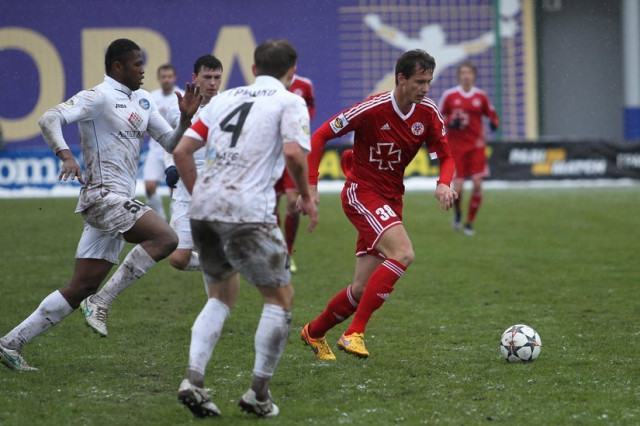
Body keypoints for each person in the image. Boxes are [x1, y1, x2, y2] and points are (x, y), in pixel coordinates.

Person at [0, 38, 201, 371]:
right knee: (166, 238)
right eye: (137, 64)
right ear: (118, 66)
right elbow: (49, 119)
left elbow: (169, 143)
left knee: (81, 285)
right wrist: (66, 155)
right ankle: (102, 301)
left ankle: (11, 342)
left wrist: (184, 120)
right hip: (102, 197)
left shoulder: (144, 100)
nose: (143, 70)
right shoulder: (98, 97)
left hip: (119, 200)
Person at [173, 39, 317, 418]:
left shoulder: (223, 99)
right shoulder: (290, 100)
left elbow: (181, 151)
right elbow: (293, 153)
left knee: (221, 295)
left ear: (253, 69)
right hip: (247, 210)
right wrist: (306, 196)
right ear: (292, 71)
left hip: (204, 209)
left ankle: (193, 379)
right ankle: (258, 394)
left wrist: (201, 196)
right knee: (280, 298)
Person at [300, 49, 457, 361]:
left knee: (361, 289)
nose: (425, 88)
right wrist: (311, 185)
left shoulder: (428, 113)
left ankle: (314, 332)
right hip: (362, 193)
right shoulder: (372, 108)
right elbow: (319, 136)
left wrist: (444, 182)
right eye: (420, 81)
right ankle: (354, 333)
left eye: (429, 82)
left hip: (391, 199)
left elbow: (447, 157)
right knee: (404, 253)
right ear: (401, 79)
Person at [163, 55, 223, 273]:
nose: (213, 83)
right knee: (178, 259)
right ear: (194, 77)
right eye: (207, 77)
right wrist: (169, 165)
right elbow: (167, 143)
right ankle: (225, 264)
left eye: (217, 77)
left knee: (210, 250)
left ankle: (220, 272)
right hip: (184, 190)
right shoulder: (175, 108)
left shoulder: (227, 107)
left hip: (216, 188)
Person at [438, 61, 499, 236]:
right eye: (463, 73)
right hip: (456, 148)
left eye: (469, 73)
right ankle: (458, 212)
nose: (466, 76)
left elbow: (492, 115)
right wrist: (450, 123)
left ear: (474, 76)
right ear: (459, 76)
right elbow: (438, 118)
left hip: (476, 147)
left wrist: (494, 123)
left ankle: (469, 223)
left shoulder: (481, 96)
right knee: (457, 190)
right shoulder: (449, 96)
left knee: (478, 184)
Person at [274, 73, 315, 273]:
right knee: (270, 208)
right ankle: (276, 251)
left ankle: (288, 254)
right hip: (272, 154)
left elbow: (311, 109)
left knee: (292, 203)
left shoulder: (304, 85)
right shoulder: (268, 87)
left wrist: (300, 128)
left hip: (291, 151)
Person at [143, 64, 183, 220]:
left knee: (174, 189)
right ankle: (161, 220)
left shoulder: (182, 96)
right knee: (149, 187)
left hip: (175, 150)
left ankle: (175, 222)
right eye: (164, 77)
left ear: (175, 78)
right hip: (156, 149)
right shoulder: (151, 98)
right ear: (158, 78)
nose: (167, 80)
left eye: (169, 76)